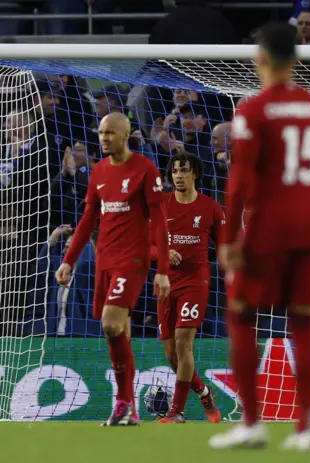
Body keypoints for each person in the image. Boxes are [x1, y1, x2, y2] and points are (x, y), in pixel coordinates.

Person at [208, 22, 310, 451]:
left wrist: (228, 238)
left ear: (260, 59)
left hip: (267, 229)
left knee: (242, 315)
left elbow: (240, 180)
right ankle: (303, 429)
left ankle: (251, 423)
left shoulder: (253, 110)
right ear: (296, 60)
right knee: (303, 323)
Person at [55, 112, 171, 426]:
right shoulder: (98, 172)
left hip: (132, 260)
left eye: (110, 133)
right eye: (101, 133)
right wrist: (69, 259)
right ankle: (129, 408)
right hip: (103, 259)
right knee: (119, 332)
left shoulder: (145, 169)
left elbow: (159, 218)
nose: (104, 138)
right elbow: (88, 220)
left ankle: (122, 402)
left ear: (125, 134)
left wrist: (161, 268)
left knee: (110, 324)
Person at [151, 152, 225, 424]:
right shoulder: (160, 206)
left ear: (195, 174)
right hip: (166, 282)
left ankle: (177, 412)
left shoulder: (212, 208)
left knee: (184, 342)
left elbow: (224, 248)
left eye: (184, 170)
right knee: (172, 356)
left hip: (196, 281)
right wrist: (162, 252)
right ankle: (204, 393)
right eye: (175, 171)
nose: (178, 175)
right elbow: (146, 245)